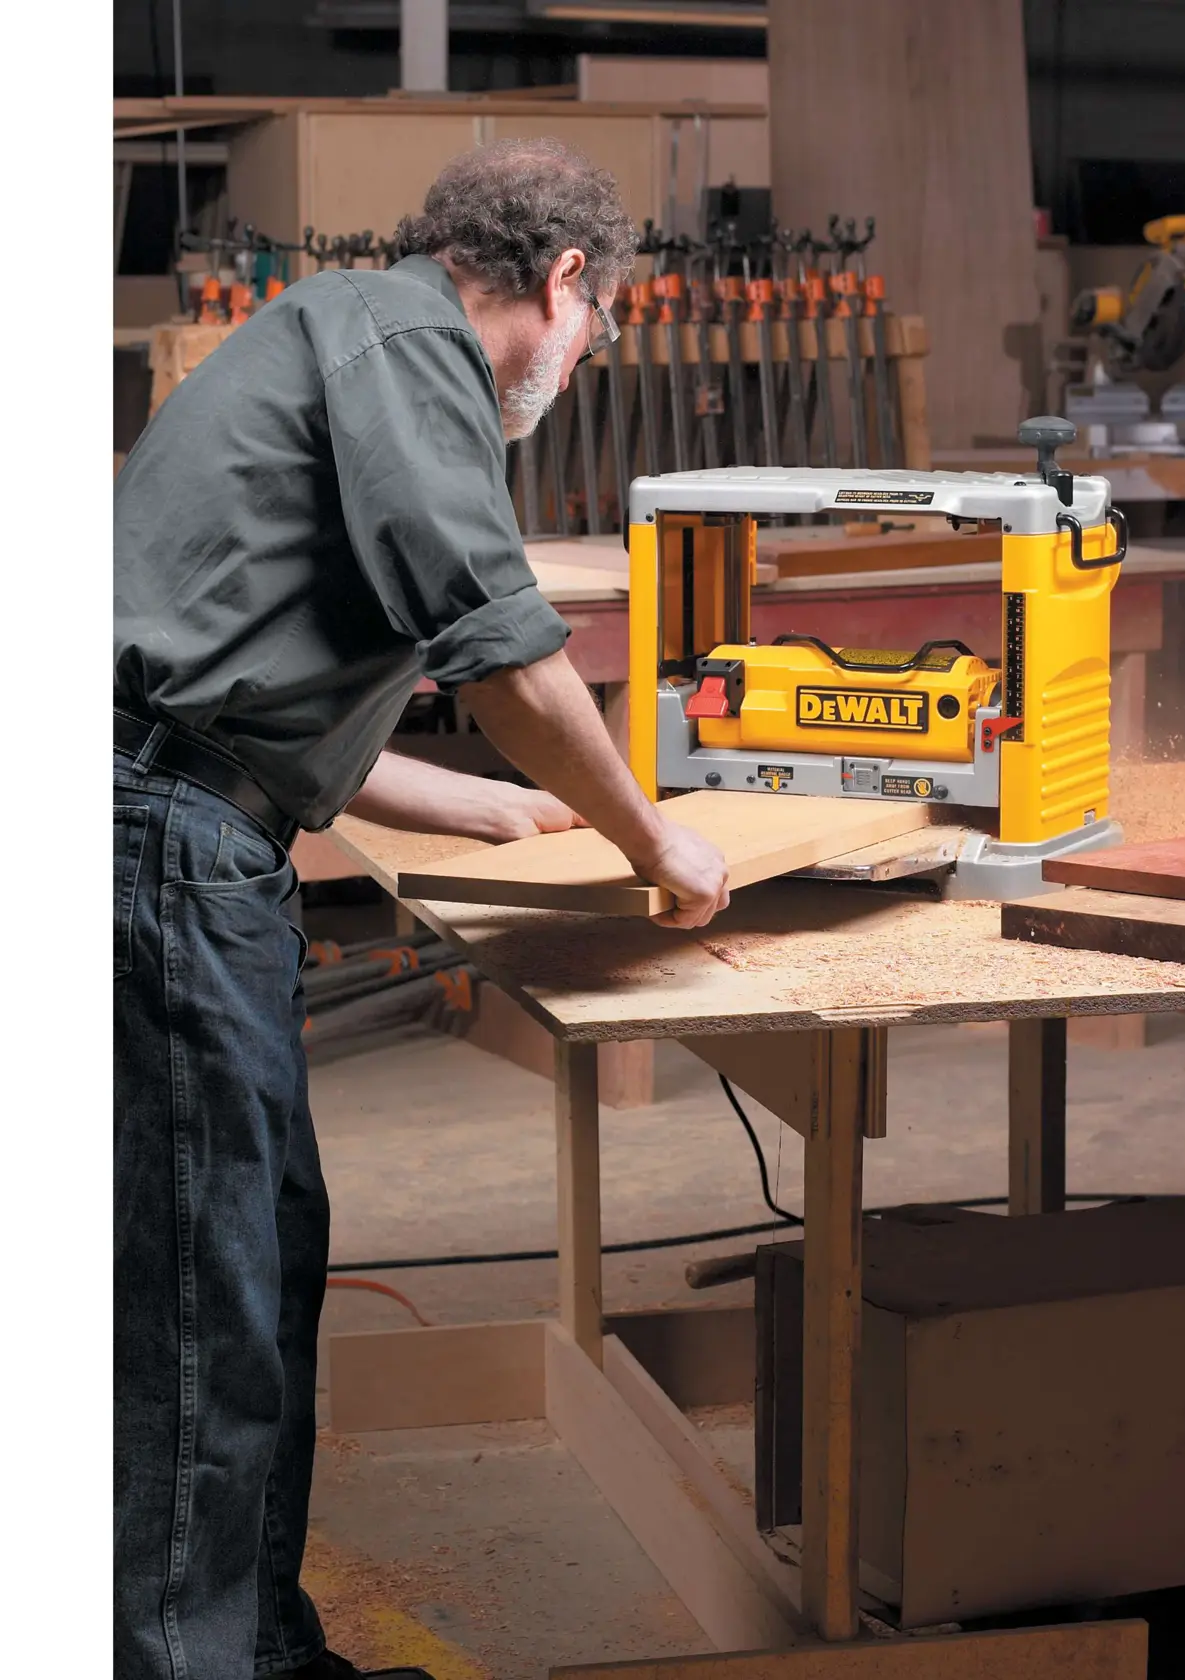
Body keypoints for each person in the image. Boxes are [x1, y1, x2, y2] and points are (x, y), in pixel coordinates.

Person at [113, 138, 730, 1680]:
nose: (579, 369)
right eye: (595, 334)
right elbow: (502, 640)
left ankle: (250, 1648)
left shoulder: (339, 331)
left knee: (252, 1260)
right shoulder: (410, 345)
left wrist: (452, 799)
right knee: (213, 1299)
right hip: (158, 848)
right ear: (565, 281)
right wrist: (657, 841)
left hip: (179, 820)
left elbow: (250, 658)